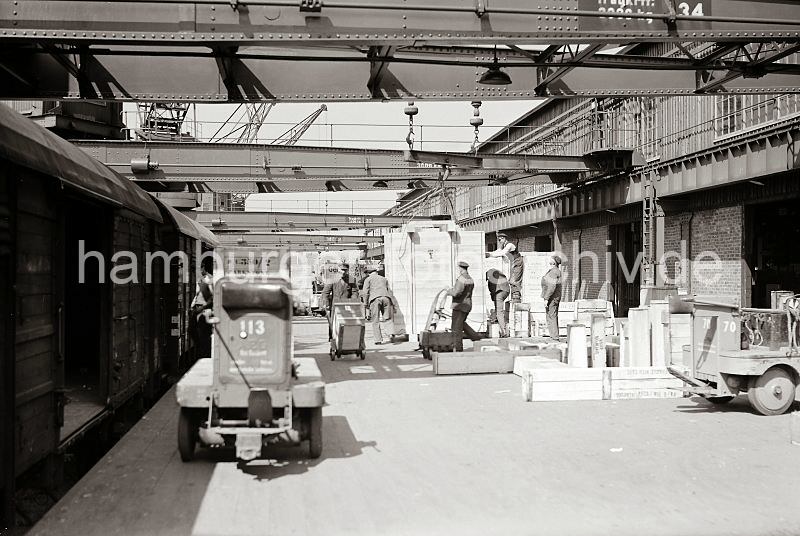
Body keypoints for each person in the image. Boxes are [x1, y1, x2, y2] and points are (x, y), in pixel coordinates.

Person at [447, 261, 483, 351]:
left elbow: (456, 293)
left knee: (456, 328)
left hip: (459, 306)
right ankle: (477, 339)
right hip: (467, 305)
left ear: (460, 268)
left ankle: (458, 348)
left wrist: (448, 291)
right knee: (462, 324)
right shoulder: (470, 278)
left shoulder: (461, 279)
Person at [486, 231, 524, 303]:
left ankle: (517, 298)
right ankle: (514, 297)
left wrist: (489, 255)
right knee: (511, 279)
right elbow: (497, 251)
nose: (499, 242)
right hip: (513, 262)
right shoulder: (504, 246)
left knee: (514, 279)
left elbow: (502, 253)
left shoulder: (509, 245)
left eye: (500, 240)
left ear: (503, 239)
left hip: (517, 262)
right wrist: (488, 254)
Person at [362, 266, 394, 345]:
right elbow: (389, 290)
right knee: (387, 318)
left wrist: (365, 303)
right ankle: (391, 333)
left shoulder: (368, 279)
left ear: (369, 273)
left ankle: (378, 340)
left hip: (375, 299)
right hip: (386, 298)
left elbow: (365, 292)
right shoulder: (384, 279)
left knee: (375, 320)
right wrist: (392, 302)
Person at [190, 262, 214, 362]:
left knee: (203, 335)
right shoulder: (200, 279)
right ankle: (200, 356)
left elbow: (212, 297)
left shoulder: (209, 279)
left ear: (203, 268)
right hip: (198, 309)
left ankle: (204, 357)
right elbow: (197, 293)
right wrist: (192, 305)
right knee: (193, 331)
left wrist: (202, 307)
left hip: (205, 310)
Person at [321, 266, 351, 340]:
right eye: (342, 270)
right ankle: (332, 337)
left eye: (345, 270)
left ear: (347, 270)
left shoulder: (351, 279)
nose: (343, 272)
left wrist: (354, 301)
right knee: (333, 321)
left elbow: (354, 291)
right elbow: (325, 292)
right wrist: (326, 304)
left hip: (347, 304)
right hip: (336, 304)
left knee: (346, 321)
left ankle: (345, 337)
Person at [541, 255, 563, 339]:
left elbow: (551, 286)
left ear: (554, 262)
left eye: (551, 260)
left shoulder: (554, 272)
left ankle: (554, 337)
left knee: (551, 315)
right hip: (553, 296)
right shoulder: (554, 271)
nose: (549, 261)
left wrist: (546, 298)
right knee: (551, 315)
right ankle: (553, 335)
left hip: (552, 297)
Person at [486, 268, 511, 338]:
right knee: (499, 310)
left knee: (499, 312)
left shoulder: (491, 278)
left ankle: (504, 332)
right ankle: (502, 328)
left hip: (499, 292)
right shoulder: (499, 274)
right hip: (506, 291)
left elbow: (492, 290)